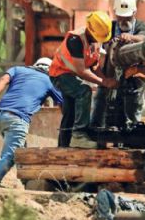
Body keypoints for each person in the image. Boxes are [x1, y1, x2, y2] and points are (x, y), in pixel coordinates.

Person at [0, 57, 63, 186]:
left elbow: (4, 79)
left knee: (22, 152)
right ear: (50, 69)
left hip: (1, 116)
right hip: (17, 119)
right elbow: (63, 104)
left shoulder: (17, 70)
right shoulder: (49, 81)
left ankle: (27, 181)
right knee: (12, 155)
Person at [49, 11, 118, 148]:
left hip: (71, 76)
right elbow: (82, 71)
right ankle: (79, 134)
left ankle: (63, 146)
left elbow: (94, 65)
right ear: (90, 30)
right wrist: (104, 82)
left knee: (70, 112)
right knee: (84, 91)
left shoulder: (95, 41)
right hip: (59, 74)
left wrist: (104, 79)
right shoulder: (75, 40)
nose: (98, 40)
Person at [92, 0, 145, 130]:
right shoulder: (109, 27)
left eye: (128, 17)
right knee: (100, 107)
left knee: (131, 113)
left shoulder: (143, 26)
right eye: (121, 16)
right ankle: (97, 138)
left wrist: (131, 37)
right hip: (109, 75)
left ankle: (131, 139)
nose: (124, 20)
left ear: (134, 12)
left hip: (133, 79)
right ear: (115, 13)